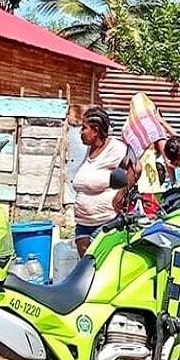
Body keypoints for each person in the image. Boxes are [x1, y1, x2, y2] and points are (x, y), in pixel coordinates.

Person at [71, 107, 129, 256]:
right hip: (83, 224)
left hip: (105, 222)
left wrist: (121, 193)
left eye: (84, 128)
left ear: (95, 131)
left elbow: (136, 168)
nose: (80, 132)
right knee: (85, 273)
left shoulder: (115, 148)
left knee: (101, 272)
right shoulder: (89, 149)